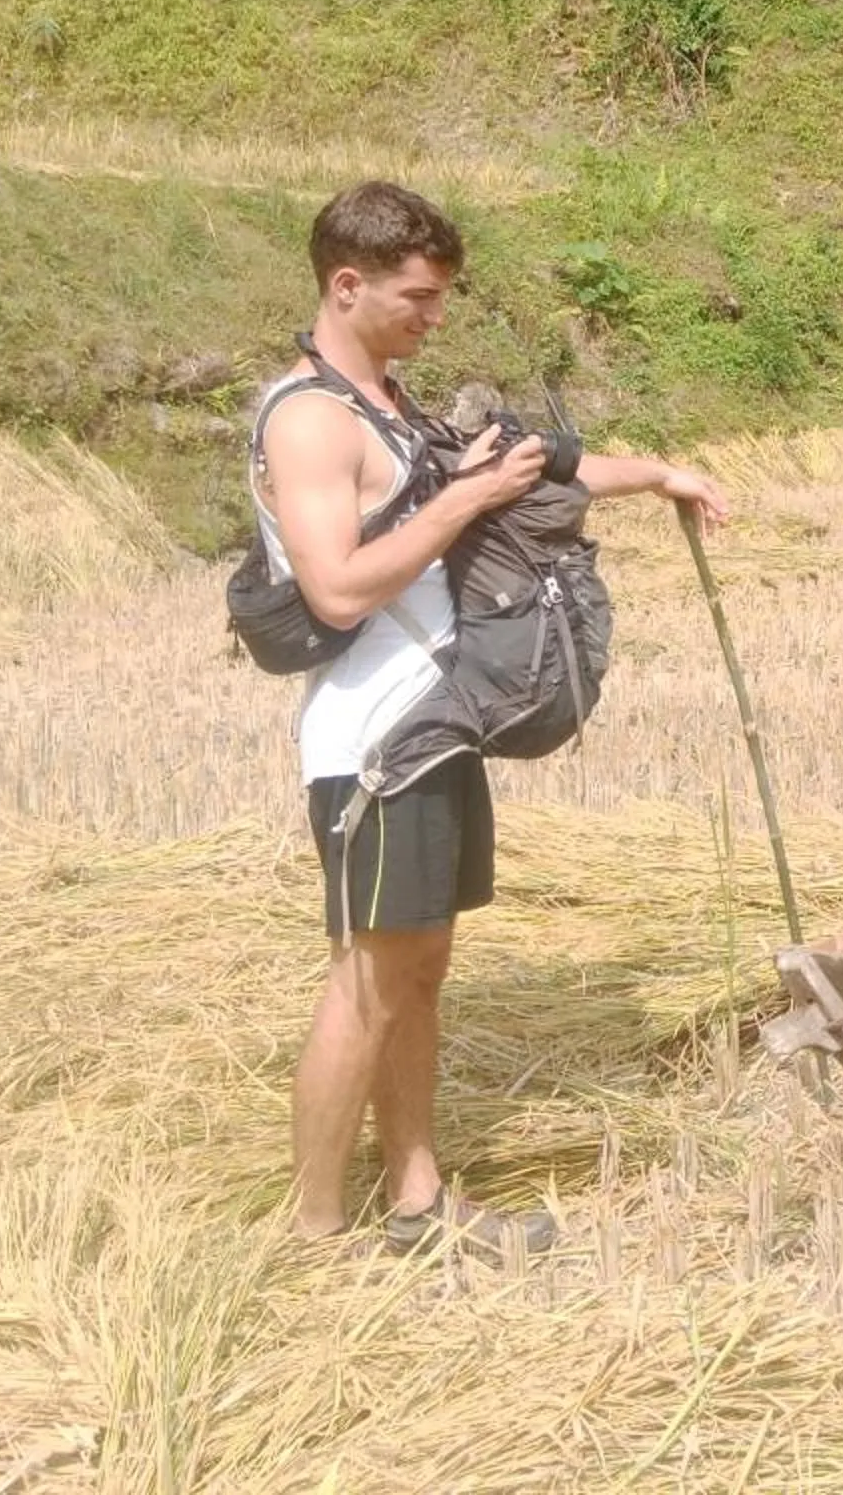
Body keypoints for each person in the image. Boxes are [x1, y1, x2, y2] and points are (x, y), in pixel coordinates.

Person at [256, 181, 731, 1254]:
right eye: (418, 299)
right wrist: (462, 497)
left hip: (440, 724)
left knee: (419, 974)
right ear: (347, 285)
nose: (435, 318)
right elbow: (337, 588)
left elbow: (530, 474)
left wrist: (660, 474)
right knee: (367, 986)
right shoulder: (310, 420)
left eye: (441, 298)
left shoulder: (385, 402)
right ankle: (315, 1233)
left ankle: (418, 1200)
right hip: (377, 745)